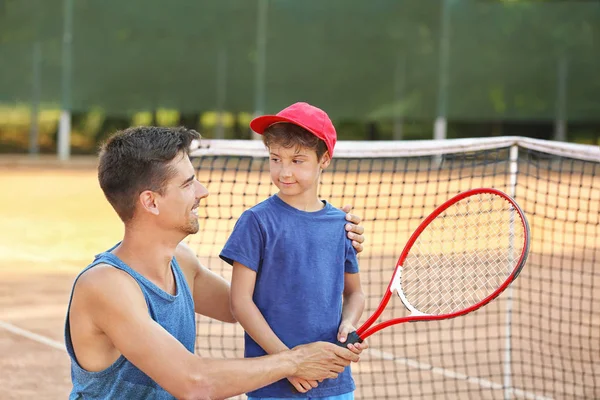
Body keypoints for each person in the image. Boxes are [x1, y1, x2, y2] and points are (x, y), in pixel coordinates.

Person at [64, 126, 367, 400]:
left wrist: (317, 236)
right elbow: (195, 383)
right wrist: (294, 361)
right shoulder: (106, 285)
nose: (203, 192)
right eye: (188, 184)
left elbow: (255, 304)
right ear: (151, 202)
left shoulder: (181, 264)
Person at [220, 102, 367, 400]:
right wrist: (288, 363)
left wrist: (349, 322)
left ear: (323, 159)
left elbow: (355, 293)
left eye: (297, 160)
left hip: (333, 382)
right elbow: (240, 302)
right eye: (276, 159)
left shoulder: (342, 225)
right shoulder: (256, 221)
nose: (284, 171)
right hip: (273, 383)